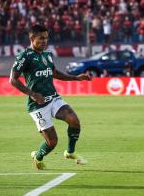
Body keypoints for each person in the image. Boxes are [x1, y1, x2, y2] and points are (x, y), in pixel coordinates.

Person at [9, 25, 91, 170]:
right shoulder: (24, 56)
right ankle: (38, 156)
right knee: (52, 142)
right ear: (32, 38)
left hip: (53, 98)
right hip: (37, 105)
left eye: (46, 38)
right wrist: (33, 94)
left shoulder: (47, 54)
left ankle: (70, 152)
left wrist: (76, 78)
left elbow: (55, 73)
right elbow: (13, 80)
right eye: (41, 38)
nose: (44, 41)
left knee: (74, 121)